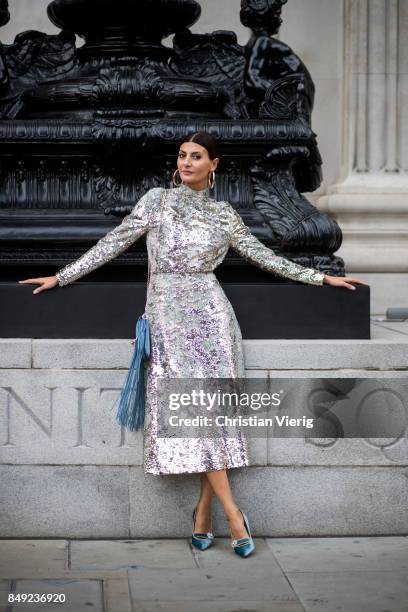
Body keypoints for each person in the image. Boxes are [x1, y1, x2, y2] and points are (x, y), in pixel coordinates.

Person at [19, 132, 367, 558]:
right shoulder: (156, 201)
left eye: (196, 156)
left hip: (213, 319)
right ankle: (232, 513)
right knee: (194, 411)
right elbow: (112, 242)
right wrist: (62, 276)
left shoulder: (224, 215)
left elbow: (267, 258)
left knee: (210, 415)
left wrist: (321, 277)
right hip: (168, 319)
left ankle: (204, 513)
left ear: (213, 164)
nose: (186, 162)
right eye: (182, 155)